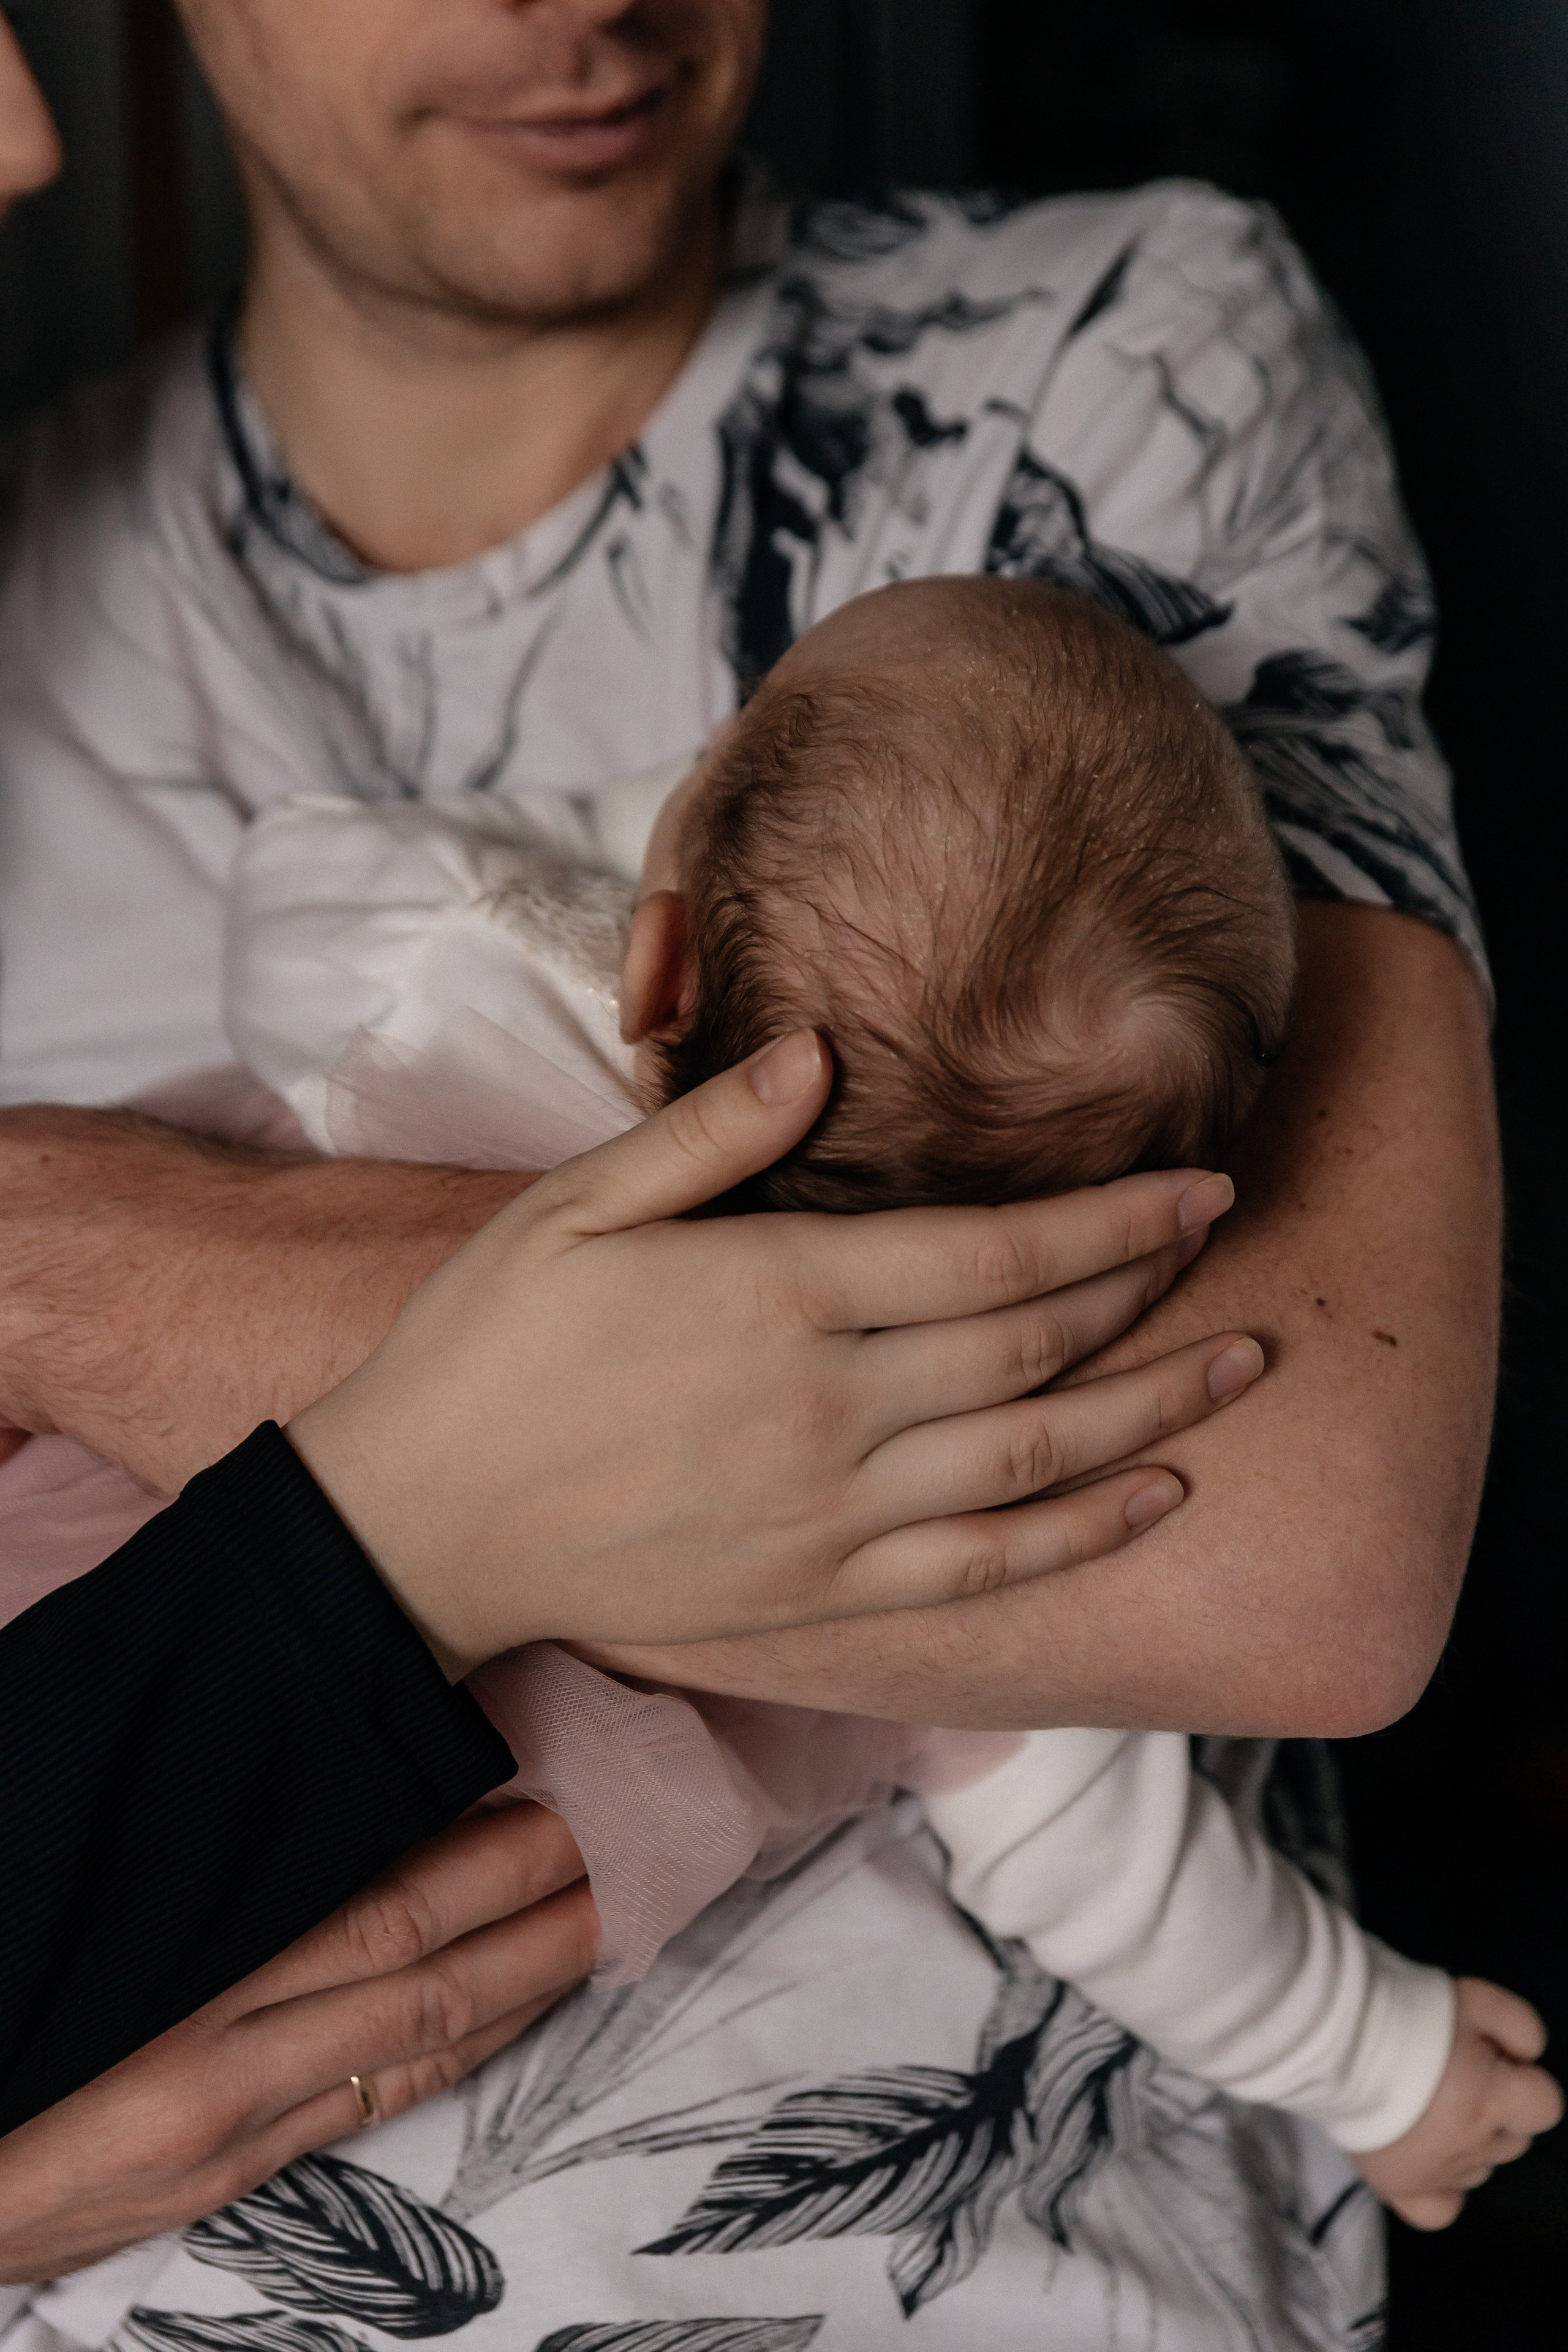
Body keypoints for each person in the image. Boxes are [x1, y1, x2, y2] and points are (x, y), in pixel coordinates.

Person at [0, 3, 1502, 2343]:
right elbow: (1107, 1759)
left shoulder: (1109, 365)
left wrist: (62, 1253)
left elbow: (1313, 1550)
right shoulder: (21, 571)